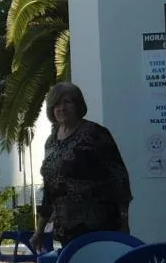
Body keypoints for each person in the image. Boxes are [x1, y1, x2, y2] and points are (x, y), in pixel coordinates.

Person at [33, 81, 133, 249]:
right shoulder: (51, 142)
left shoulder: (95, 134)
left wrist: (124, 223)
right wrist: (39, 230)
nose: (62, 108)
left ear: (78, 105)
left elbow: (120, 179)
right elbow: (50, 190)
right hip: (65, 231)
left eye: (67, 102)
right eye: (57, 103)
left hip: (98, 227)